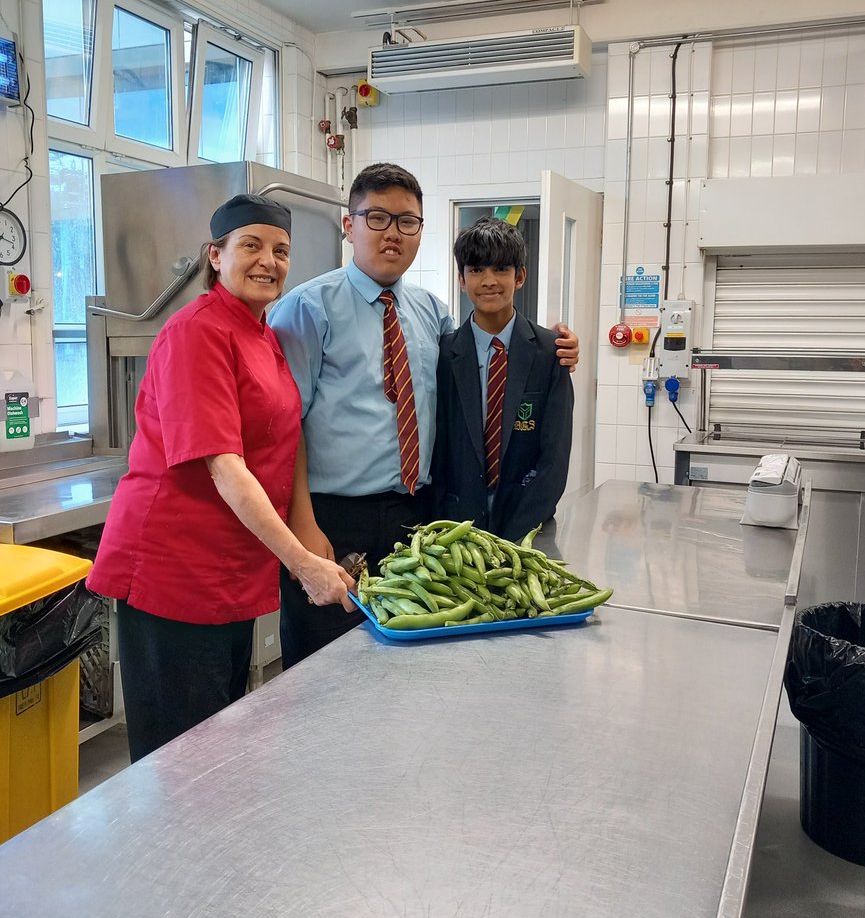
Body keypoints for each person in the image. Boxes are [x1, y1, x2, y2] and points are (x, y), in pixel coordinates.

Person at [268, 162, 579, 666]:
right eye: (377, 218)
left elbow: (480, 376)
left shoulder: (432, 313)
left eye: (407, 222)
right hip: (332, 517)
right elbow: (285, 426)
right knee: (321, 663)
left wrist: (556, 349)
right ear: (349, 227)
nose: (393, 234)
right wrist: (302, 524)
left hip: (416, 517)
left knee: (404, 663)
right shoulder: (307, 309)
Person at [86, 193, 355, 762]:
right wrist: (302, 565)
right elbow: (225, 465)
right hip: (174, 572)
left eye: (281, 250)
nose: (268, 261)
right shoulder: (197, 333)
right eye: (250, 246)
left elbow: (289, 433)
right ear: (215, 254)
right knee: (180, 754)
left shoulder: (262, 334)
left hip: (227, 571)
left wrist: (304, 526)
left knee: (223, 743)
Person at [431, 216, 574, 542]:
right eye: (477, 270)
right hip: (456, 531)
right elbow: (438, 451)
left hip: (528, 527)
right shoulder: (445, 354)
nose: (489, 280)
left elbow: (555, 458)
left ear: (520, 276)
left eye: (501, 269)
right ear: (461, 280)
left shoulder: (551, 352)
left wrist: (514, 535)